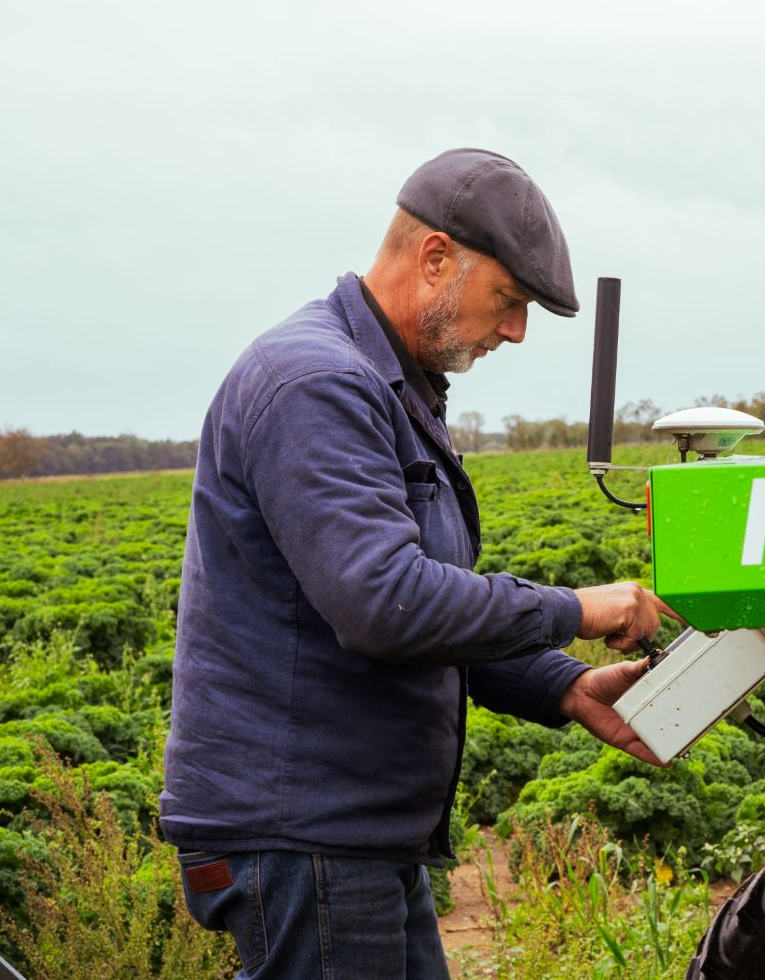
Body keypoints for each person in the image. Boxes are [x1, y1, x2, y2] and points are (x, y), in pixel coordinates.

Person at [161, 148, 675, 979]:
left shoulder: (392, 386)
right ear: (435, 257)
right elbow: (384, 602)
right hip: (304, 839)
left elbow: (429, 615)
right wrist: (579, 609)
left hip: (354, 837)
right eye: (508, 301)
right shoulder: (315, 384)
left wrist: (562, 685)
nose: (514, 331)